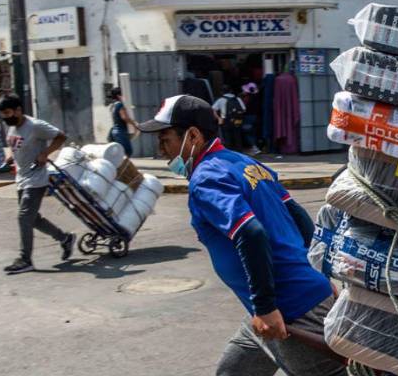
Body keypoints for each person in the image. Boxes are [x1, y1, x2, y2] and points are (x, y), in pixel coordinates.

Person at [138, 95, 345, 376]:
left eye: (165, 140)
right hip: (285, 301)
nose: (161, 151)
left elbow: (251, 233)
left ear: (193, 135)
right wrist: (320, 275)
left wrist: (265, 307)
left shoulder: (206, 178)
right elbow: (299, 216)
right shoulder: (243, 163)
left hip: (289, 310)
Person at [0, 94, 76, 274]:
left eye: (8, 113)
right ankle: (65, 239)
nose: (5, 117)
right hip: (21, 178)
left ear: (18, 110)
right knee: (33, 220)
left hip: (36, 179)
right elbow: (17, 145)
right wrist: (11, 158)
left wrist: (45, 153)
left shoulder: (35, 126)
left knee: (24, 217)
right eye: (3, 114)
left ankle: (25, 259)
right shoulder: (12, 127)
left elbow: (61, 136)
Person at [212, 85, 246, 151]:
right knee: (238, 138)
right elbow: (244, 109)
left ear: (222, 92)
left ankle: (229, 153)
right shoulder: (237, 99)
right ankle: (239, 153)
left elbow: (213, 109)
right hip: (237, 121)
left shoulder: (221, 100)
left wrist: (219, 118)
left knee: (228, 139)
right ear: (231, 91)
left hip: (225, 121)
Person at [107, 86, 138, 158]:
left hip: (114, 131)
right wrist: (134, 124)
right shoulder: (120, 105)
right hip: (121, 132)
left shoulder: (113, 106)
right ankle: (123, 168)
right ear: (119, 96)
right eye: (122, 95)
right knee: (127, 152)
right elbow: (124, 117)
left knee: (119, 153)